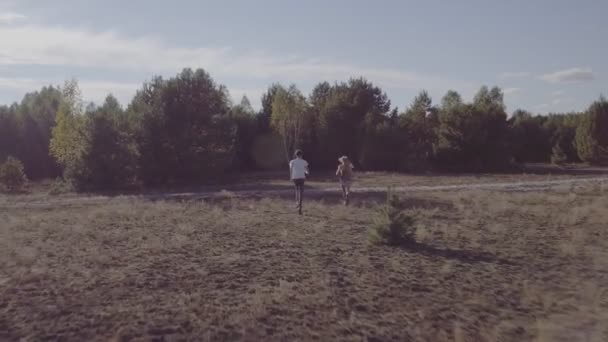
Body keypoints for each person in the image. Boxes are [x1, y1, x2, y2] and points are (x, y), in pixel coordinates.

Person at [289, 149, 309, 215]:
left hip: (295, 177)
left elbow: (291, 169)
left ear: (296, 155)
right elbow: (306, 170)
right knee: (301, 192)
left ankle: (297, 202)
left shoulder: (292, 161)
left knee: (296, 189)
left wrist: (291, 177)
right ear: (301, 155)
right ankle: (300, 206)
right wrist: (307, 173)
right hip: (301, 177)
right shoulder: (304, 161)